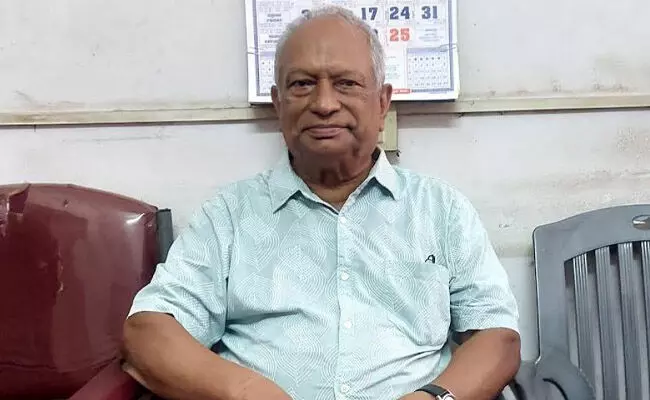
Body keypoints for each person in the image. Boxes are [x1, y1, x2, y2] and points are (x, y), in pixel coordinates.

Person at [122, 6, 520, 400]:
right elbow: (147, 331)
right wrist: (244, 391)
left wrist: (435, 398)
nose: (325, 103)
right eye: (302, 84)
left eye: (346, 83)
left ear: (383, 102)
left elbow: (497, 337)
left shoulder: (440, 209)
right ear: (278, 103)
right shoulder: (229, 214)